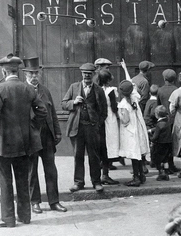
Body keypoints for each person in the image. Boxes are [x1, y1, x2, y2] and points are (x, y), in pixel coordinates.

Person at [0, 54, 47, 228]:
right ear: (17, 71)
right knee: (23, 179)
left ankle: (8, 219)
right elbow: (42, 111)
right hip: (24, 143)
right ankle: (24, 216)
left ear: (3, 70)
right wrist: (31, 127)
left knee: (5, 181)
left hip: (3, 144)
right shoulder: (28, 89)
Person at [23, 57, 67, 213]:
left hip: (47, 136)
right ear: (25, 74)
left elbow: (52, 112)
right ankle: (35, 202)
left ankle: (54, 201)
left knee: (51, 170)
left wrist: (57, 131)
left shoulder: (45, 90)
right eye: (31, 73)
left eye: (36, 73)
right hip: (31, 137)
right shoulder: (22, 90)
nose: (34, 76)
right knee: (31, 171)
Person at [62, 63, 107, 193]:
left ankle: (96, 182)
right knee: (78, 155)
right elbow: (64, 103)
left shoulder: (98, 90)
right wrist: (73, 102)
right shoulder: (74, 87)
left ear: (93, 75)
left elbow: (104, 111)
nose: (87, 76)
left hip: (92, 128)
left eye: (89, 74)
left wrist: (97, 124)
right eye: (84, 74)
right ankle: (78, 182)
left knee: (94, 156)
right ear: (81, 74)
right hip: (77, 127)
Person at [118, 59, 150, 187]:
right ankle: (141, 175)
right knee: (138, 155)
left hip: (130, 132)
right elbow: (130, 83)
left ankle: (136, 177)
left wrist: (118, 114)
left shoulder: (123, 104)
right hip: (139, 129)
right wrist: (125, 68)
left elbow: (125, 121)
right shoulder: (135, 97)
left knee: (133, 155)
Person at [97, 69, 119, 185]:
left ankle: (102, 173)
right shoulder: (111, 91)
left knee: (103, 145)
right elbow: (114, 107)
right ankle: (105, 174)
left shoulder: (97, 89)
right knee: (109, 145)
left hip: (100, 119)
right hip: (110, 118)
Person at [157, 69, 179, 174]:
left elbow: (158, 105)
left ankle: (166, 166)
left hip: (164, 120)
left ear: (164, 78)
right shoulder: (177, 90)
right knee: (172, 143)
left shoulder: (160, 90)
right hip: (174, 119)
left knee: (165, 145)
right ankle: (171, 164)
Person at [149, 105, 172, 181]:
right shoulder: (167, 122)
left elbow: (155, 137)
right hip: (168, 143)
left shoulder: (159, 124)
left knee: (157, 160)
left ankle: (161, 172)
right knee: (165, 159)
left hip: (160, 144)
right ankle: (166, 172)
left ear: (157, 114)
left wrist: (150, 138)